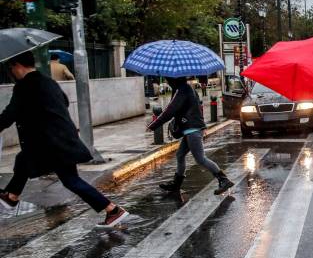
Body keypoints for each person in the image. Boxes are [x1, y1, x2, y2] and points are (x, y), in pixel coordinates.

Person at [0, 51, 128, 228]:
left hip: (51, 142)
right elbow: (64, 102)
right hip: (61, 138)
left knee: (70, 180)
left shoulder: (24, 86)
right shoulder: (48, 82)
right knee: (23, 159)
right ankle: (12, 196)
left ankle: (113, 210)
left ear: (16, 65)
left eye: (10, 67)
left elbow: (9, 115)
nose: (10, 71)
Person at [147, 77, 233, 195]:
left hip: (192, 130)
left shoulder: (183, 90)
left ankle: (224, 180)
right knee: (180, 155)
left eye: (168, 80)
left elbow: (169, 111)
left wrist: (153, 125)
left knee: (200, 159)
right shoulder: (185, 89)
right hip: (191, 128)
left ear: (174, 80)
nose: (167, 82)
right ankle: (176, 184)